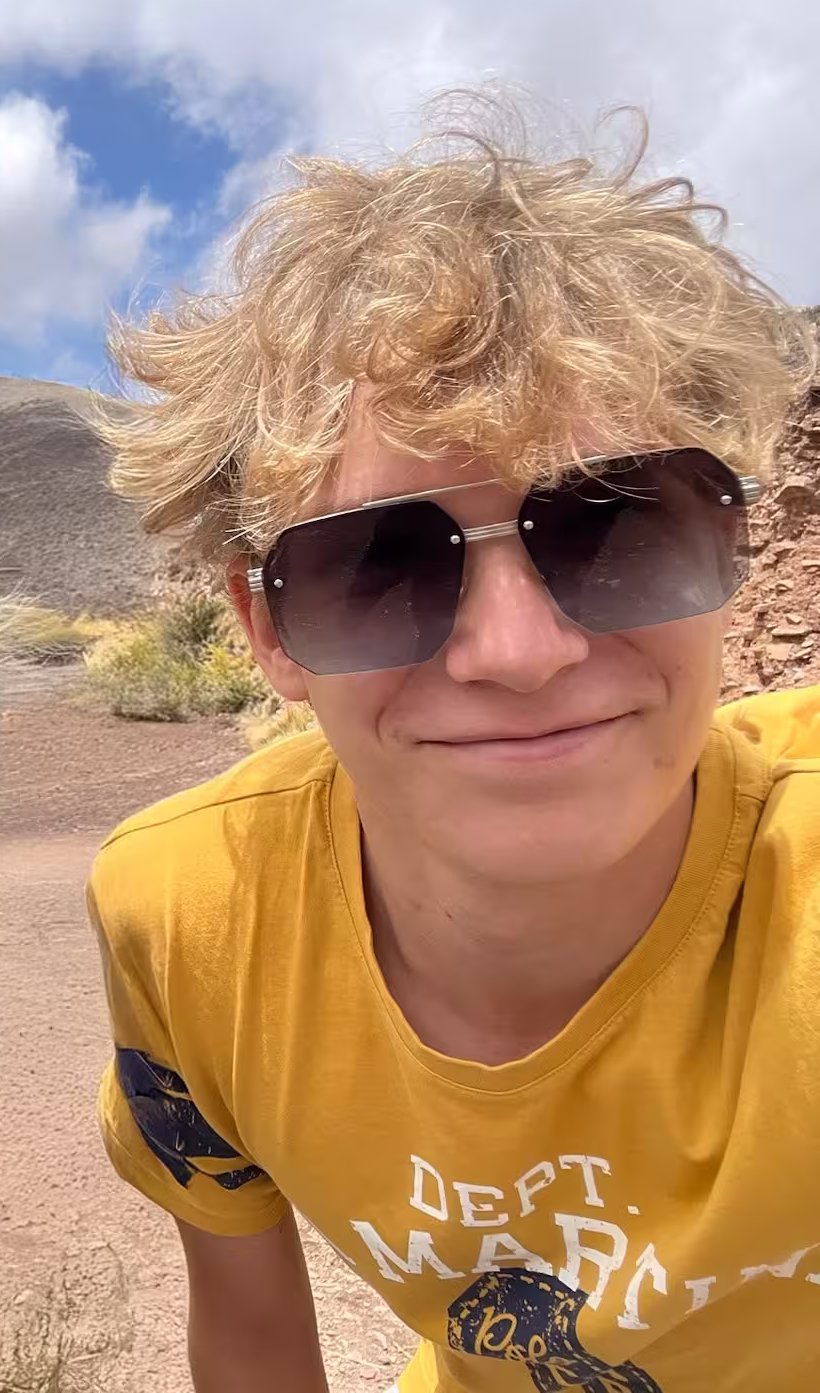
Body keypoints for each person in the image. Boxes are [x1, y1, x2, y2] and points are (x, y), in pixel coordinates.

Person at [87, 110, 818, 1392]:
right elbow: (253, 1337)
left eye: (617, 527)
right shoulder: (187, 916)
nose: (517, 652)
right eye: (378, 564)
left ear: (732, 552)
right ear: (266, 631)